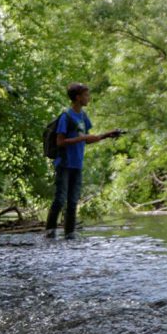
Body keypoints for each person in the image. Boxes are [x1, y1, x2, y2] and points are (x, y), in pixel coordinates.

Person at [46, 83, 123, 238]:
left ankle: (70, 233)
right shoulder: (66, 117)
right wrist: (81, 138)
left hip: (77, 164)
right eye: (86, 95)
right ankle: (50, 232)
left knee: (73, 201)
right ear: (77, 97)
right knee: (60, 199)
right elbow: (60, 142)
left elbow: (87, 139)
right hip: (64, 164)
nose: (89, 98)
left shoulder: (83, 116)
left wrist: (107, 135)